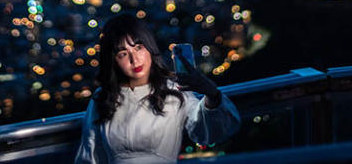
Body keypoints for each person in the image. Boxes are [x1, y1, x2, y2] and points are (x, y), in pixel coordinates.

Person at [74, 13, 241, 164]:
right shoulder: (103, 97)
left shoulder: (174, 91)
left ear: (149, 47)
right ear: (113, 61)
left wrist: (211, 93)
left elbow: (207, 133)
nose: (134, 59)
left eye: (138, 47)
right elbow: (90, 155)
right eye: (123, 53)